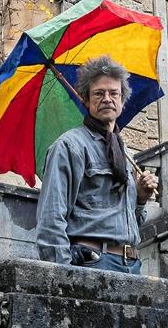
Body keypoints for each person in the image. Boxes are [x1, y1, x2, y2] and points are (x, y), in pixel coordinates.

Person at [35, 55, 160, 274]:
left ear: (122, 101)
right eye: (99, 93)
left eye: (114, 93)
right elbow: (50, 218)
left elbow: (128, 223)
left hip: (132, 264)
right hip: (92, 263)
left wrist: (140, 199)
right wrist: (65, 274)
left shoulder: (124, 152)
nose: (107, 99)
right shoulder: (69, 146)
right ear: (85, 100)